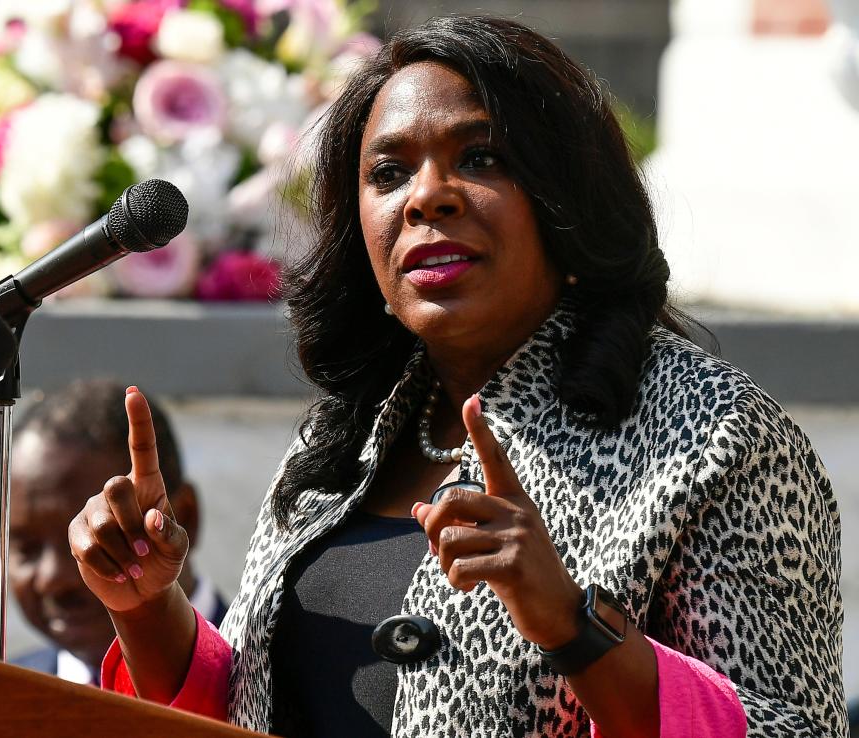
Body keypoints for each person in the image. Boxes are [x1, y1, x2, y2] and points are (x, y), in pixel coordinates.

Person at [67, 15, 846, 737]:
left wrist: (574, 627)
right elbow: (263, 706)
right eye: (389, 172)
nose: (427, 196)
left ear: (565, 197)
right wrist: (145, 608)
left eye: (480, 158)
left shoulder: (713, 433)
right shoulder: (343, 439)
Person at [9, 379, 226, 684]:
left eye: (101, 537)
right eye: (28, 548)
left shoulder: (273, 672)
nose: (52, 579)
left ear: (185, 517)